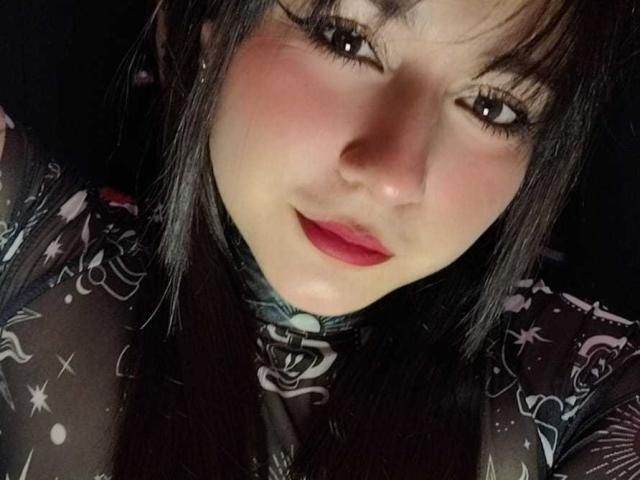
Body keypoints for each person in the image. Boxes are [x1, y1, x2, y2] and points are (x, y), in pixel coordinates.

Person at [0, 0, 639, 478]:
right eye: (346, 39)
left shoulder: (590, 388)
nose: (392, 177)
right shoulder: (34, 244)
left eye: (493, 106)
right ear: (210, 30)